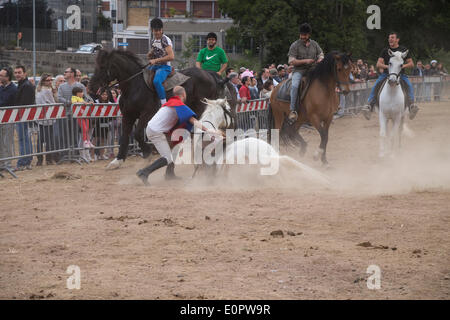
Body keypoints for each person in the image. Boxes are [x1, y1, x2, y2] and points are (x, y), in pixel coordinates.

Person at [136, 86, 223, 185]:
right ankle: (144, 172)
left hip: (154, 129)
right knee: (167, 158)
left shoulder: (171, 103)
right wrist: (208, 130)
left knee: (172, 153)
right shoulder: (179, 104)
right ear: (183, 94)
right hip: (156, 131)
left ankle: (169, 174)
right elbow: (193, 120)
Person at [362, 32, 418, 120]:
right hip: (386, 74)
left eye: (392, 37)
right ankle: (369, 105)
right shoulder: (385, 50)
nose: (390, 39)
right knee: (376, 85)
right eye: (389, 38)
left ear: (397, 39)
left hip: (401, 74)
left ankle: (411, 106)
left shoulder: (403, 49)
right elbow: (378, 64)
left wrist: (402, 66)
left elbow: (411, 63)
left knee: (409, 86)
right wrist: (388, 67)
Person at [287, 23, 324, 122]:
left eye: (304, 35)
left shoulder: (315, 44)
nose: (302, 37)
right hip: (299, 70)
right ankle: (293, 110)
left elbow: (321, 54)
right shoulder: (295, 45)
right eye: (301, 34)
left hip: (312, 69)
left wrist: (320, 59)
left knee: (325, 80)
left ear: (309, 35)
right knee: (295, 86)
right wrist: (305, 61)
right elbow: (291, 61)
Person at [147, 18, 174, 106]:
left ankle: (163, 103)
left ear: (162, 30)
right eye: (155, 30)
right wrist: (150, 55)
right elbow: (154, 54)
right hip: (155, 66)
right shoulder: (153, 41)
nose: (157, 32)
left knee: (156, 81)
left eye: (159, 30)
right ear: (152, 30)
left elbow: (171, 56)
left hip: (165, 67)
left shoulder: (165, 40)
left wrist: (155, 60)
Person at [14, 65, 35, 171]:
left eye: (19, 72)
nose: (17, 74)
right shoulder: (23, 84)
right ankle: (26, 160)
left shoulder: (26, 85)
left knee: (23, 139)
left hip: (22, 116)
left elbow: (23, 103)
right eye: (16, 73)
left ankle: (23, 162)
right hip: (23, 116)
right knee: (25, 139)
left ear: (25, 73)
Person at [35, 73, 57, 166]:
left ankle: (39, 159)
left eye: (51, 80)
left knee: (40, 140)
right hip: (47, 118)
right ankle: (48, 159)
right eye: (48, 80)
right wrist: (55, 93)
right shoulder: (47, 91)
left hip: (41, 118)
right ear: (43, 81)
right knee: (48, 140)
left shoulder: (37, 89)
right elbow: (54, 102)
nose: (50, 82)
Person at [0, 67, 18, 172]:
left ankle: (7, 163)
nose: (0, 77)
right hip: (1, 118)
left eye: (2, 75)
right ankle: (2, 163)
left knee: (7, 142)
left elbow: (5, 102)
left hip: (8, 118)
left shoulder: (13, 89)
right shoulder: (1, 88)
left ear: (7, 77)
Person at [72, 87, 94, 162]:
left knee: (87, 129)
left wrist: (89, 103)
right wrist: (84, 103)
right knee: (84, 129)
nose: (82, 94)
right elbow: (74, 103)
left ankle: (88, 141)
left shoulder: (82, 99)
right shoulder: (74, 97)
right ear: (77, 93)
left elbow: (85, 103)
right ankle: (85, 141)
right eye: (81, 92)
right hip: (79, 116)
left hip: (85, 115)